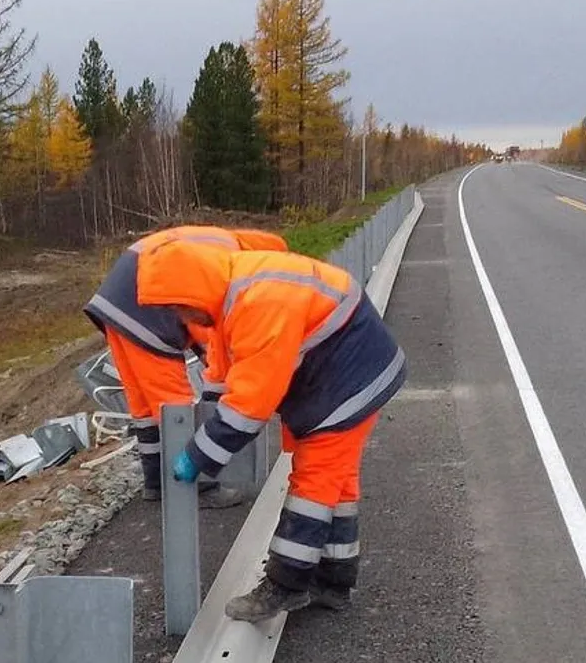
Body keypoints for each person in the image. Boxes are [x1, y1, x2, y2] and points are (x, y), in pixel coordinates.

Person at [134, 239, 406, 621]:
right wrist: (207, 410)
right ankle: (333, 582)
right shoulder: (230, 291)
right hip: (349, 370)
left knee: (313, 482)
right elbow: (226, 365)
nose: (182, 317)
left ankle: (286, 585)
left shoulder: (258, 302)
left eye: (179, 305)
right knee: (336, 484)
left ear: (193, 288)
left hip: (351, 380)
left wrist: (199, 455)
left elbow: (252, 401)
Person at [82, 225, 288, 509]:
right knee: (173, 403)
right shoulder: (231, 265)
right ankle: (197, 486)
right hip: (147, 305)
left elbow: (206, 325)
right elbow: (214, 330)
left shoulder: (222, 246)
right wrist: (224, 385)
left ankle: (156, 481)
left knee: (145, 403)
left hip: (118, 302)